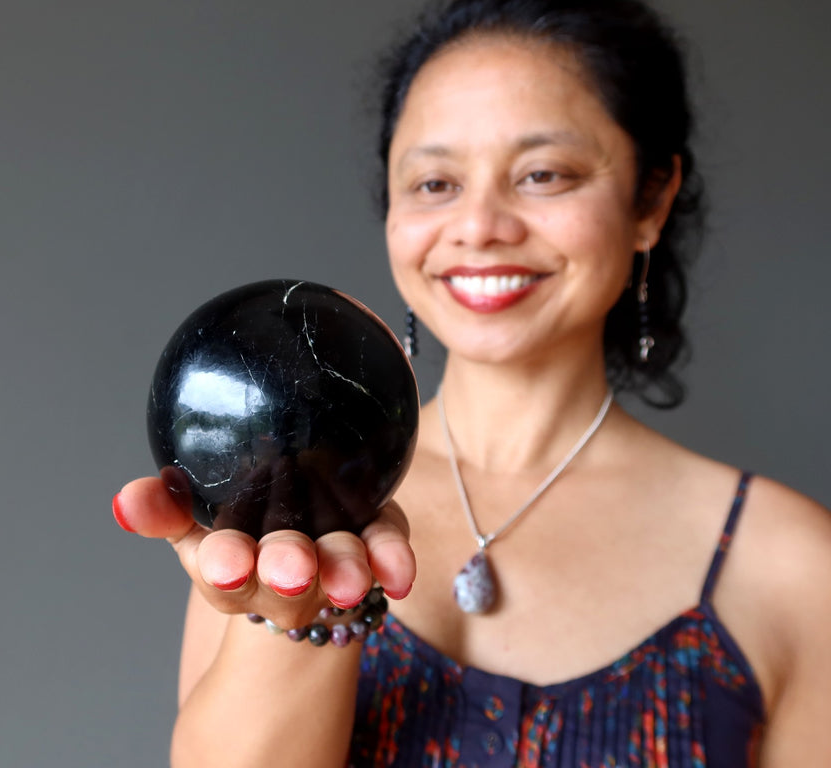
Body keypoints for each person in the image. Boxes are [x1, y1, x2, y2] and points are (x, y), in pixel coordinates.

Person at [113, 0, 831, 765]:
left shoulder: (792, 566)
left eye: (542, 174)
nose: (480, 224)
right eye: (434, 183)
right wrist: (302, 617)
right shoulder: (282, 510)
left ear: (650, 200)